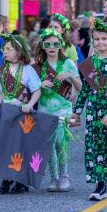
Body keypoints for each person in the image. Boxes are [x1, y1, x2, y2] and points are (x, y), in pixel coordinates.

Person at [71, 18, 107, 201]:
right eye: (97, 39)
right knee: (95, 147)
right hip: (93, 110)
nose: (100, 42)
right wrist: (77, 111)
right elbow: (85, 89)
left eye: (104, 38)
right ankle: (100, 185)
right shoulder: (89, 63)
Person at [0, 34, 41, 195]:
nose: (4, 52)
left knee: (20, 146)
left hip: (22, 114)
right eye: (3, 49)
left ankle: (22, 181)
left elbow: (36, 91)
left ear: (19, 51)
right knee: (6, 146)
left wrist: (30, 104)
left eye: (8, 49)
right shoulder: (2, 70)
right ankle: (7, 178)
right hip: (6, 113)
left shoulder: (28, 70)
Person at [34, 28, 81, 192]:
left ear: (61, 45)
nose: (52, 47)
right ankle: (54, 179)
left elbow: (79, 86)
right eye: (48, 44)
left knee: (61, 142)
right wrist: (39, 85)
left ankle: (64, 176)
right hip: (45, 109)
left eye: (56, 43)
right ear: (43, 46)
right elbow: (30, 89)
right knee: (50, 144)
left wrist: (69, 75)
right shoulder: (39, 66)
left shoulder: (67, 63)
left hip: (63, 109)